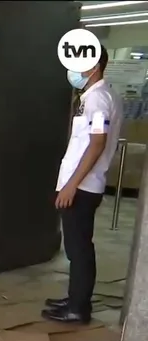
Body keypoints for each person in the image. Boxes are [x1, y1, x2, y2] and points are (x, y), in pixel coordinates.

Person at [43, 45, 122, 325]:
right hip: (82, 184)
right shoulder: (95, 96)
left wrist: (71, 185)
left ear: (94, 65)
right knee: (77, 248)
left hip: (83, 187)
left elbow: (97, 143)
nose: (73, 70)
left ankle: (78, 308)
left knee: (79, 250)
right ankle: (75, 299)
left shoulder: (98, 99)